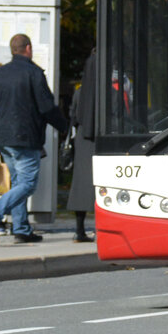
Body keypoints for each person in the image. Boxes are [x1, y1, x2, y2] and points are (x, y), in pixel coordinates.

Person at [0, 34, 68, 245]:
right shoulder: (33, 73)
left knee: (18, 183)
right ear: (28, 48)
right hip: (25, 137)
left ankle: (21, 229)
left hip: (3, 139)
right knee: (27, 184)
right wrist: (64, 127)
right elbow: (46, 107)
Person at [67, 48, 97, 242]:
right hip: (100, 141)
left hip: (82, 140)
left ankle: (79, 230)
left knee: (80, 185)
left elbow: (73, 116)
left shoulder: (79, 92)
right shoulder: (108, 92)